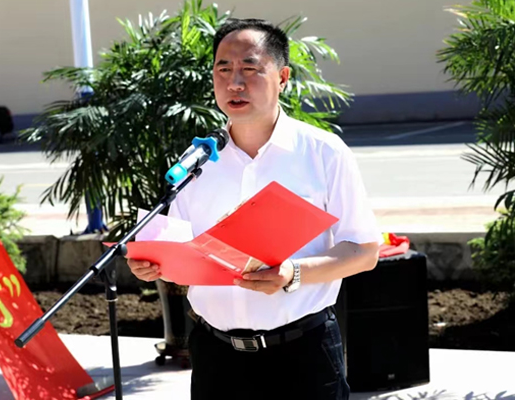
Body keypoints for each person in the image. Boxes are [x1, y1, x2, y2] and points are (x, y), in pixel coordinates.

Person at [127, 18, 381, 400]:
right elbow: (180, 249)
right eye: (223, 69)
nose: (234, 83)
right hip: (216, 357)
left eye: (249, 69)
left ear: (283, 77)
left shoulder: (323, 153)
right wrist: (153, 264)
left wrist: (293, 273)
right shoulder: (197, 161)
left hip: (303, 354)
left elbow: (364, 252)